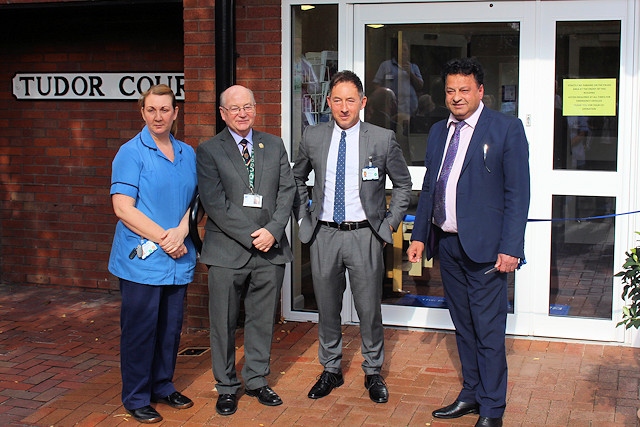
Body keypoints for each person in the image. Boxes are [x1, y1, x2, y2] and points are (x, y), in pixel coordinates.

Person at [406, 58, 530, 427]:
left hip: (487, 251)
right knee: (463, 326)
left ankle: (493, 408)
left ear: (480, 91)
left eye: (464, 90)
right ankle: (472, 393)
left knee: (489, 331)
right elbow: (431, 186)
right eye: (450, 90)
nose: (456, 97)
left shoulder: (506, 129)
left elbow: (517, 193)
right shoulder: (438, 131)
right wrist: (419, 237)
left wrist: (512, 247)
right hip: (449, 245)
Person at [292, 70, 412, 404]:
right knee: (327, 308)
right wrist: (305, 216)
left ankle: (373, 371)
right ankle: (330, 369)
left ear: (362, 102)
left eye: (351, 100)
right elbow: (296, 178)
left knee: (369, 309)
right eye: (337, 100)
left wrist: (389, 224)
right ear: (328, 102)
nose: (344, 107)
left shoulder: (381, 138)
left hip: (364, 237)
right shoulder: (313, 136)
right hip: (325, 235)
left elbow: (403, 184)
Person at [196, 85, 296, 416]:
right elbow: (214, 202)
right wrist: (254, 235)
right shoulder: (210, 150)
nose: (242, 113)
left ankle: (256, 380)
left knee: (262, 319)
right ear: (223, 114)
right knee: (223, 322)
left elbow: (287, 191)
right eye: (234, 108)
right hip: (227, 251)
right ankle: (226, 386)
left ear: (255, 109)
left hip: (270, 251)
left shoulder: (274, 144)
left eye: (248, 106)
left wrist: (273, 230)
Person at [108, 84, 197, 424]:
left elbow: (194, 203)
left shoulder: (188, 153)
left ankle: (162, 385)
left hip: (177, 255)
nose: (158, 116)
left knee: (170, 329)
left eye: (165, 110)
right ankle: (135, 396)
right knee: (141, 330)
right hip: (143, 261)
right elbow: (122, 207)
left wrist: (182, 233)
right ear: (142, 113)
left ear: (176, 113)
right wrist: (165, 237)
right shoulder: (131, 153)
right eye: (151, 110)